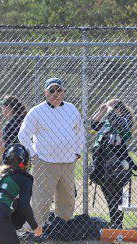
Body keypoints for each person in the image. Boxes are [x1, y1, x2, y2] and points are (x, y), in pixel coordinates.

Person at [18, 78, 85, 226]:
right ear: (45, 92)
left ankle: (63, 228)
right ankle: (38, 229)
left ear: (64, 92)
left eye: (59, 90)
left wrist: (77, 152)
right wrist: (34, 155)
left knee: (67, 198)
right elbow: (23, 135)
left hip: (68, 161)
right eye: (52, 90)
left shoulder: (72, 109)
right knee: (42, 198)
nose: (56, 93)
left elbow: (80, 132)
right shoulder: (37, 111)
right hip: (44, 161)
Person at [90, 99, 137, 229]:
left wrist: (109, 109)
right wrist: (101, 110)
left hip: (116, 163)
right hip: (102, 162)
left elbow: (114, 120)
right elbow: (94, 125)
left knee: (116, 196)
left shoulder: (123, 121)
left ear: (118, 110)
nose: (108, 110)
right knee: (109, 196)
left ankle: (117, 224)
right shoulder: (107, 122)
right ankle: (115, 223)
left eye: (111, 108)